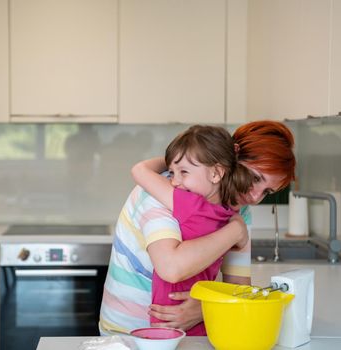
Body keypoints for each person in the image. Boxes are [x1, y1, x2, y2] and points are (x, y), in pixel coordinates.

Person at [99, 120, 295, 334]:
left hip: (186, 335)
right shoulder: (160, 192)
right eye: (255, 178)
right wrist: (235, 231)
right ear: (231, 159)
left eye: (267, 191)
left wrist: (204, 307)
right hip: (128, 332)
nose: (255, 196)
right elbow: (171, 268)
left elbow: (239, 287)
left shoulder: (240, 207)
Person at [131, 125, 254, 335]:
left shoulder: (190, 205)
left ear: (216, 173)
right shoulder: (230, 213)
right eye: (172, 173)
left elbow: (139, 170)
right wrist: (182, 158)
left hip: (168, 319)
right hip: (202, 314)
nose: (175, 182)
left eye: (184, 172)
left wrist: (173, 158)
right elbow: (240, 289)